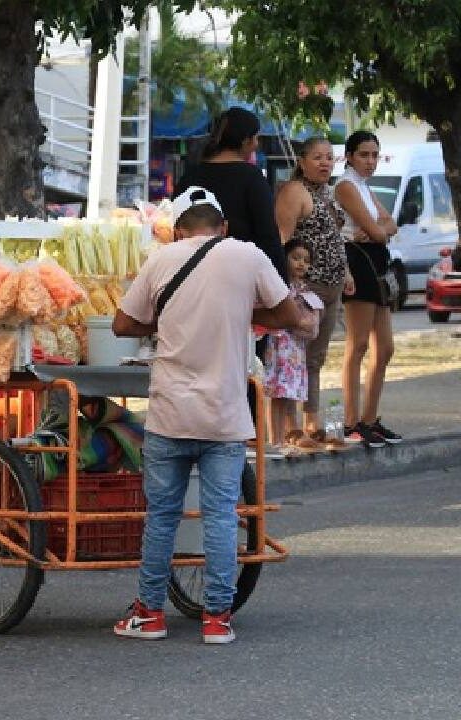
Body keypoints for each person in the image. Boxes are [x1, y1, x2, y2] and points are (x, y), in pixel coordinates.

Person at [111, 187, 312, 644]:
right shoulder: (247, 254)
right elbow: (289, 315)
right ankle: (217, 618)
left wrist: (163, 323)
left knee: (162, 516)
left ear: (178, 230)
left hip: (169, 413)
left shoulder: (161, 260)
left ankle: (149, 615)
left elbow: (122, 324)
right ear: (223, 226)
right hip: (225, 414)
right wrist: (239, 311)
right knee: (221, 515)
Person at [274, 137, 353, 440]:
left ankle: (312, 421)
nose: (325, 163)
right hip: (307, 287)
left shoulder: (328, 193)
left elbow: (334, 238)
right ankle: (291, 426)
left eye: (329, 157)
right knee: (294, 356)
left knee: (315, 359)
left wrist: (345, 271)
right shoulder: (295, 191)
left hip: (331, 287)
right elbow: (283, 238)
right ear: (302, 161)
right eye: (318, 157)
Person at [335, 131, 401, 449]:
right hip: (357, 261)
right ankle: (351, 422)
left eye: (375, 155)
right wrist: (378, 231)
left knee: (384, 347)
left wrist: (379, 231)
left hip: (376, 262)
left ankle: (370, 417)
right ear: (349, 156)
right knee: (358, 343)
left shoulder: (364, 185)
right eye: (363, 154)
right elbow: (380, 230)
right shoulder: (346, 185)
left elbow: (390, 225)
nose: (370, 161)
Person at [175, 107, 285, 279]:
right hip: (238, 277)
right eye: (256, 138)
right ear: (245, 141)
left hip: (192, 275)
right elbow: (268, 235)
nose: (257, 144)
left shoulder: (190, 176)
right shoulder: (252, 177)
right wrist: (279, 283)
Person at [261, 238, 322, 451]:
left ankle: (283, 438)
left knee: (286, 394)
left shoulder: (304, 289)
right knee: (276, 393)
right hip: (279, 344)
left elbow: (308, 324)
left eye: (306, 261)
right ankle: (274, 440)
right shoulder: (280, 286)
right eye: (296, 258)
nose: (301, 264)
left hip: (295, 348)